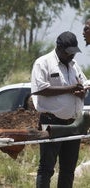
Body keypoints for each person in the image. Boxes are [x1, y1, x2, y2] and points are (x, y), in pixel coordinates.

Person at [31, 31, 88, 188]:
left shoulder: (74, 66)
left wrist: (83, 91)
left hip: (72, 124)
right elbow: (40, 89)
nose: (72, 57)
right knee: (47, 168)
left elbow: (83, 84)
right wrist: (69, 89)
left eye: (74, 53)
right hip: (51, 122)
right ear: (59, 48)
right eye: (69, 53)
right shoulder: (43, 63)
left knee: (68, 170)